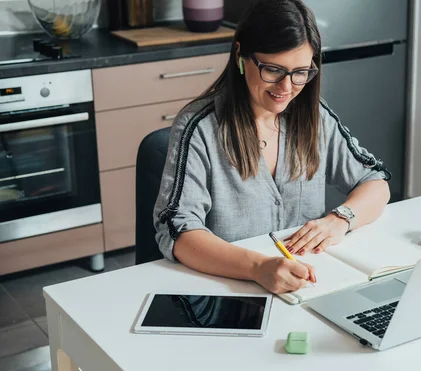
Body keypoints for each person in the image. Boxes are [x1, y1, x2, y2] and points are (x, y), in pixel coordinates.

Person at [153, 0, 391, 295]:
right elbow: (177, 231)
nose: (286, 87)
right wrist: (257, 268)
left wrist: (339, 220)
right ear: (241, 54)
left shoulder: (315, 117)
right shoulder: (199, 128)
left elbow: (375, 183)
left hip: (306, 287)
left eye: (300, 72)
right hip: (230, 290)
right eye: (273, 70)